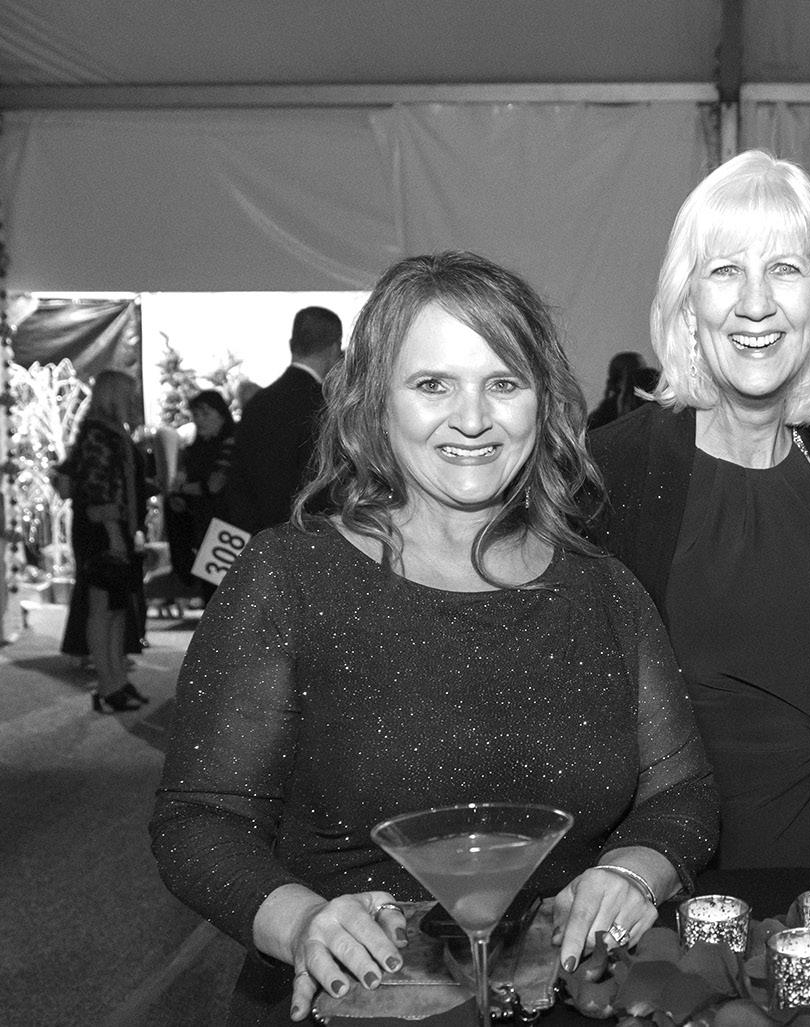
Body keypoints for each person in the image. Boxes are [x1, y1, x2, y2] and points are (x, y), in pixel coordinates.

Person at [151, 252, 718, 1025]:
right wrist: (300, 919)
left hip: (565, 995)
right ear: (373, 401)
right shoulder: (289, 577)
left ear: (543, 400)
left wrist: (632, 871)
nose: (473, 418)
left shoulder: (605, 589)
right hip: (357, 998)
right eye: (432, 384)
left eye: (503, 383)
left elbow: (682, 791)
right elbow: (200, 816)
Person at [589, 150, 810, 868]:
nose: (755, 303)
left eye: (785, 268)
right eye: (724, 271)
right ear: (688, 301)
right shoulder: (611, 473)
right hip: (669, 884)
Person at [62, 368, 151, 713]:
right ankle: (108, 685)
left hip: (116, 527)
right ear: (115, 395)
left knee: (116, 608)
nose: (133, 399)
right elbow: (99, 489)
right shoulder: (99, 434)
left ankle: (117, 680)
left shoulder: (110, 431)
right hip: (102, 530)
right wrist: (115, 535)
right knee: (102, 609)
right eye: (129, 393)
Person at [224, 306, 343, 533]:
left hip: (260, 535)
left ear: (291, 345)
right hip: (308, 535)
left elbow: (238, 480)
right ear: (335, 348)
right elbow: (326, 485)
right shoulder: (324, 406)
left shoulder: (258, 404)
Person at [164, 389, 236, 601]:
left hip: (226, 527)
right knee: (212, 593)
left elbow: (214, 485)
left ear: (221, 415)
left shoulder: (231, 443)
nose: (199, 420)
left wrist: (182, 490)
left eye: (205, 413)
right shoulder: (195, 447)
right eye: (196, 414)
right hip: (202, 525)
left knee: (223, 593)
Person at [586, 351, 654, 430]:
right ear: (622, 380)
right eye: (641, 372)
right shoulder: (605, 415)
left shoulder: (604, 411)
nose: (645, 375)